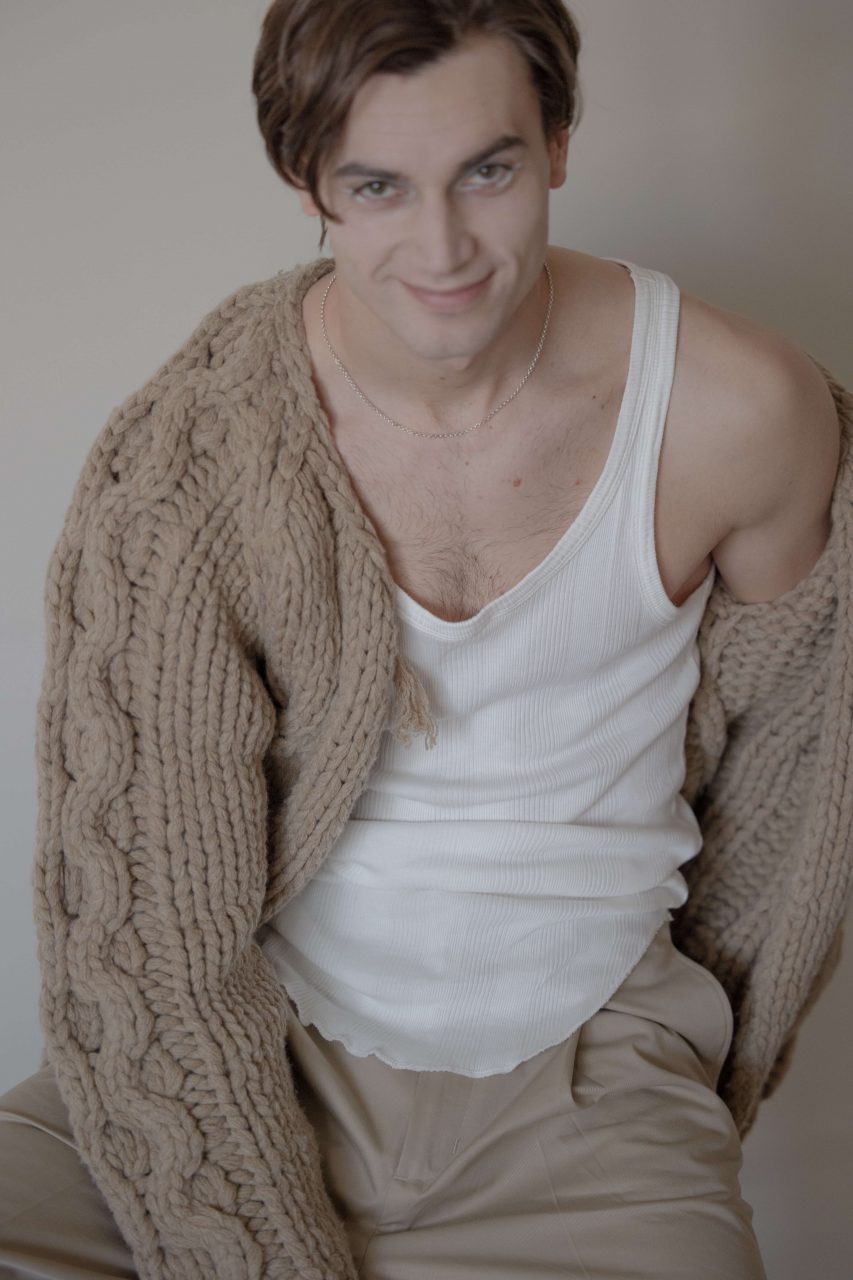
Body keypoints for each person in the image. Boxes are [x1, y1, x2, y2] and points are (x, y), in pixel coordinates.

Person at [1, 2, 851, 1277]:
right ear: (307, 183)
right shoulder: (190, 466)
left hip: (592, 1085)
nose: (443, 246)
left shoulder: (739, 412)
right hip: (247, 1050)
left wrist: (677, 1065)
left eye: (487, 172)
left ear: (557, 141)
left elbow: (789, 795)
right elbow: (148, 931)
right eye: (379, 186)